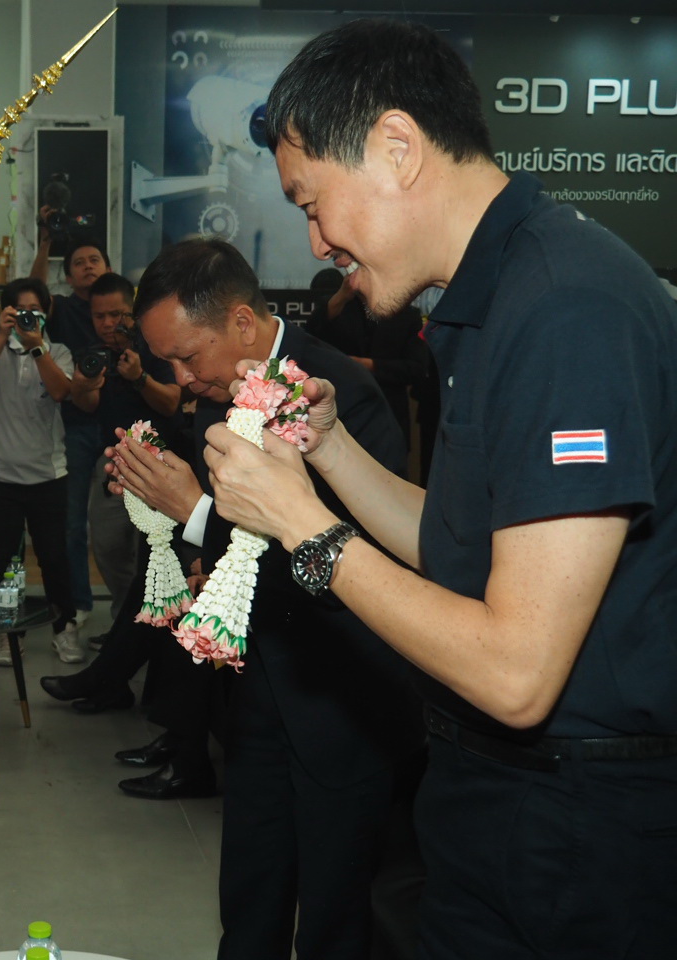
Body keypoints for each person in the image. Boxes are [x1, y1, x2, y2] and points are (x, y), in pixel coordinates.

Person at [203, 19, 677, 958]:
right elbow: (462, 544)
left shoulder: (566, 310)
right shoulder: (489, 297)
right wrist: (330, 452)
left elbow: (515, 672)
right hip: (490, 799)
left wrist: (304, 529)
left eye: (312, 201)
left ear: (396, 147)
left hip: (578, 826)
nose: (317, 238)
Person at [111, 238, 424, 957]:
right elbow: (239, 544)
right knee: (250, 894)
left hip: (341, 701)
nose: (183, 380)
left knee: (334, 914)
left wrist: (195, 511)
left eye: (189, 357)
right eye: (169, 366)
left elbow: (359, 569)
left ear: (243, 323)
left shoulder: (337, 397)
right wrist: (171, 517)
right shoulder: (214, 397)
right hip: (258, 692)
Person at [0, 277, 81, 665]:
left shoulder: (58, 352)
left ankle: (64, 629)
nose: (30, 317)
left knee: (54, 558)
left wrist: (36, 348)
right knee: (9, 561)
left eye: (36, 311)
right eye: (21, 311)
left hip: (48, 473)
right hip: (0, 474)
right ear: (9, 313)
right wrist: (2, 335)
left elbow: (62, 391)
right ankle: (10, 631)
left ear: (47, 313)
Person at [68, 271, 179, 618]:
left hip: (160, 467)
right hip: (113, 468)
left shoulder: (156, 347)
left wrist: (140, 377)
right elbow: (87, 406)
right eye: (99, 316)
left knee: (155, 552)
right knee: (107, 547)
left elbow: (172, 402)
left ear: (131, 312)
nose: (107, 323)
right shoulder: (95, 355)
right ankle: (127, 620)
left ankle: (144, 631)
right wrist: (84, 386)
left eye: (116, 314)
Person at [31, 237, 110, 626]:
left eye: (95, 259)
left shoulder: (120, 309)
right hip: (75, 426)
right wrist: (47, 243)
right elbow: (33, 294)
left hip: (119, 425)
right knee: (73, 523)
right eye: (79, 262)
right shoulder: (61, 308)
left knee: (125, 527)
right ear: (68, 274)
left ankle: (128, 610)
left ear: (108, 268)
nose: (88, 266)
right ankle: (79, 605)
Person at [307, 266, 428, 454]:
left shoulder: (407, 315)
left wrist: (367, 365)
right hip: (343, 419)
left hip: (390, 418)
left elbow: (416, 369)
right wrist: (341, 297)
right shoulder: (339, 309)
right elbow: (311, 341)